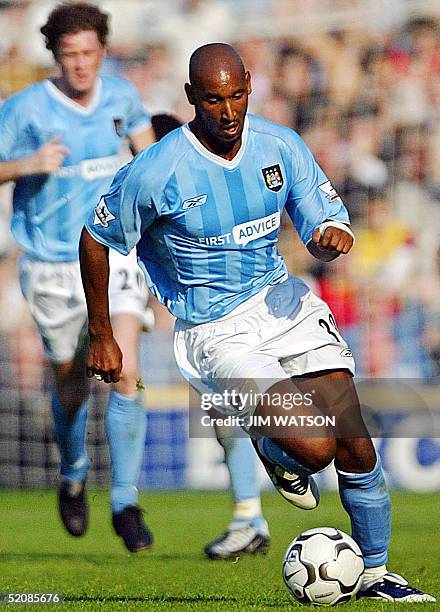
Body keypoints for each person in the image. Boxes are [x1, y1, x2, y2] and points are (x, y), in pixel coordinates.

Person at [79, 43, 435, 601]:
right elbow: (95, 239)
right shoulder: (156, 170)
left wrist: (328, 237)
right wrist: (103, 334)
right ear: (192, 97)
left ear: (250, 85)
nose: (228, 111)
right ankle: (272, 448)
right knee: (316, 450)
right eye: (214, 100)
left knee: (357, 445)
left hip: (283, 305)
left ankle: (375, 572)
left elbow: (321, 216)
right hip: (217, 332)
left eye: (238, 95)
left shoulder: (280, 145)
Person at [0, 3, 156, 552]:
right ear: (56, 57)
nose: (82, 65)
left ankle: (125, 500)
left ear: (103, 52)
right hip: (51, 264)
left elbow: (150, 157)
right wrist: (26, 165)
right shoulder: (23, 110)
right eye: (71, 55)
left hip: (114, 254)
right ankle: (73, 472)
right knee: (70, 380)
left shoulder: (121, 97)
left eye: (90, 53)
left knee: (126, 366)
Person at [151, 112, 270, 559]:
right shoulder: (150, 185)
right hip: (206, 318)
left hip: (236, 316)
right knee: (223, 415)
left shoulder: (187, 179)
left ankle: (254, 507)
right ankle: (248, 517)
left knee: (242, 412)